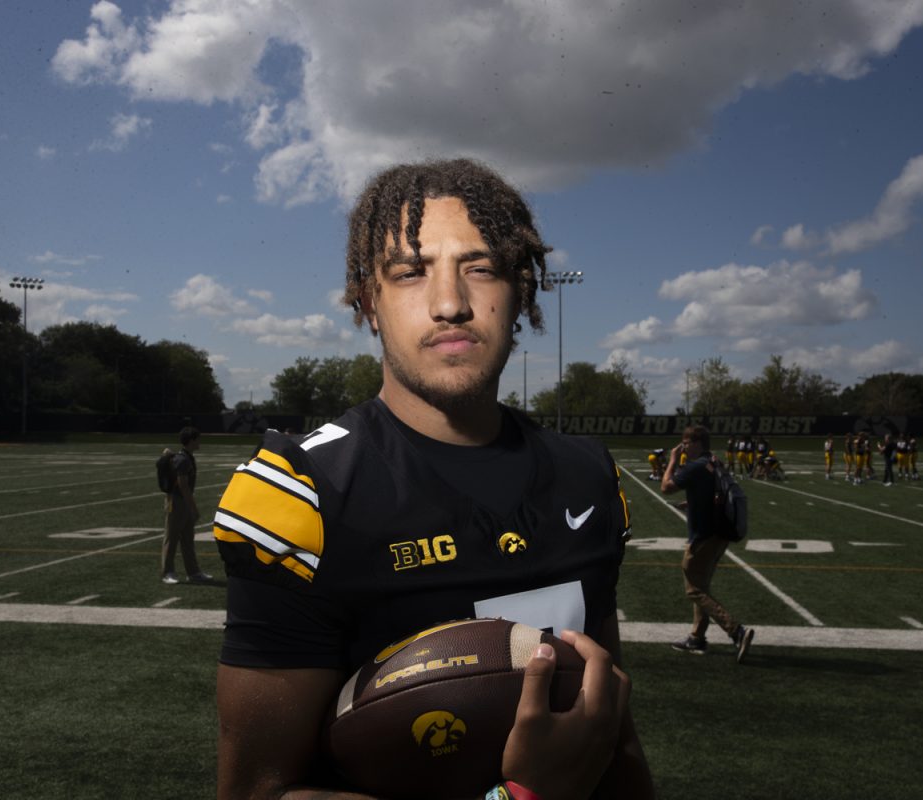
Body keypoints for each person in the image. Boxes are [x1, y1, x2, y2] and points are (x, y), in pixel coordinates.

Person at [211, 159, 653, 799]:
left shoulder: (588, 476)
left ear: (520, 292)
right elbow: (261, 791)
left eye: (480, 268)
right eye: (410, 272)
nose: (451, 304)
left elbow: (612, 730)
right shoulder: (300, 491)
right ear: (369, 301)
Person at [660, 425, 754, 663]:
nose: (683, 447)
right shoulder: (713, 462)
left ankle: (736, 631)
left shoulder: (695, 466)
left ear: (698, 443)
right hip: (718, 532)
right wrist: (692, 504)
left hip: (704, 535)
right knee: (702, 586)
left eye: (686, 443)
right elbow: (714, 494)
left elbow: (666, 487)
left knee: (693, 588)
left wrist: (671, 460)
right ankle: (697, 637)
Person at [161, 426, 211, 585]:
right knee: (172, 537)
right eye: (198, 439)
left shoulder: (186, 457)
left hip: (183, 501)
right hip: (177, 501)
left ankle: (193, 572)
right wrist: (193, 507)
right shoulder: (183, 459)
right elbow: (183, 486)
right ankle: (167, 572)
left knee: (188, 539)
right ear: (191, 440)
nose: (200, 442)